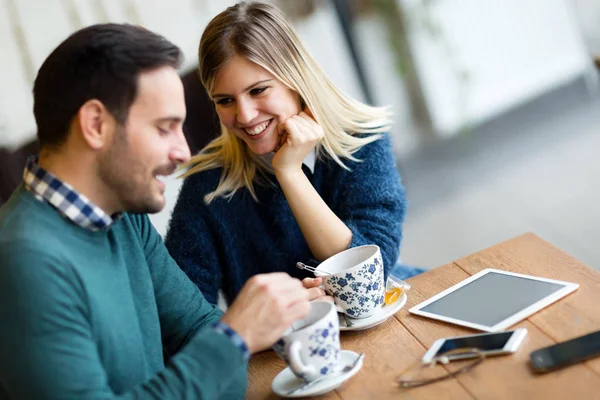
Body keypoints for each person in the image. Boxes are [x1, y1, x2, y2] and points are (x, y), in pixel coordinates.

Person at [0, 23, 311, 399]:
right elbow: (219, 348)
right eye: (165, 128)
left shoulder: (121, 215)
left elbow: (197, 326)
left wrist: (270, 317)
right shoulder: (23, 260)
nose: (183, 152)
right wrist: (237, 335)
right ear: (96, 125)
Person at [165, 1, 421, 307]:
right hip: (285, 349)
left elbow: (369, 275)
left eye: (258, 90)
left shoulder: (362, 141)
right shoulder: (208, 184)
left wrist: (289, 172)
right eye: (225, 100)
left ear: (295, 81)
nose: (244, 115)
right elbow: (182, 312)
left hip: (388, 310)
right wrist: (252, 326)